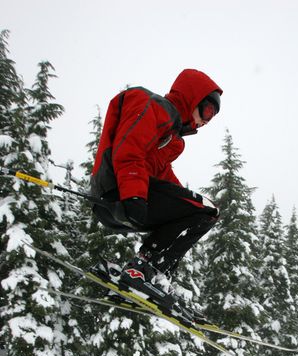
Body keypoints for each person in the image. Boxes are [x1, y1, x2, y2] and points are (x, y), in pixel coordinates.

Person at [90, 68, 223, 313]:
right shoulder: (154, 106)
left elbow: (160, 175)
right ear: (192, 98)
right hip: (119, 193)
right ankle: (144, 268)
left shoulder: (171, 136)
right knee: (207, 212)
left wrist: (183, 203)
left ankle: (153, 276)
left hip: (120, 198)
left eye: (212, 116)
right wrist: (134, 195)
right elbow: (129, 151)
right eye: (207, 111)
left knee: (200, 210)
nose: (207, 120)